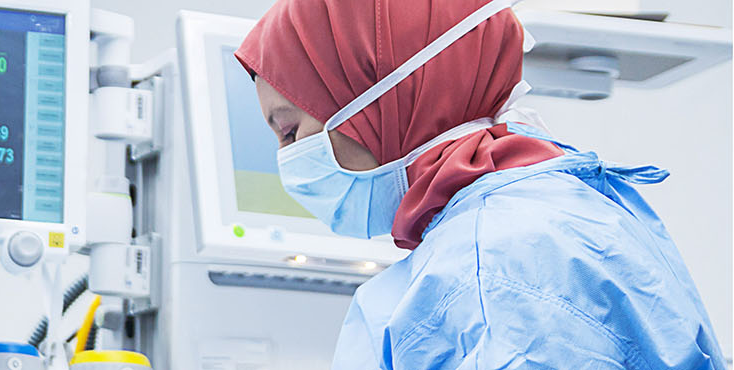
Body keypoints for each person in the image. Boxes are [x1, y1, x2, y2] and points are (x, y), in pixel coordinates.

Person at [235, 0, 726, 368]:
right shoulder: (563, 207)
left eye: (290, 131)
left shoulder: (490, 263)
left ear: (377, 99)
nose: (289, 160)